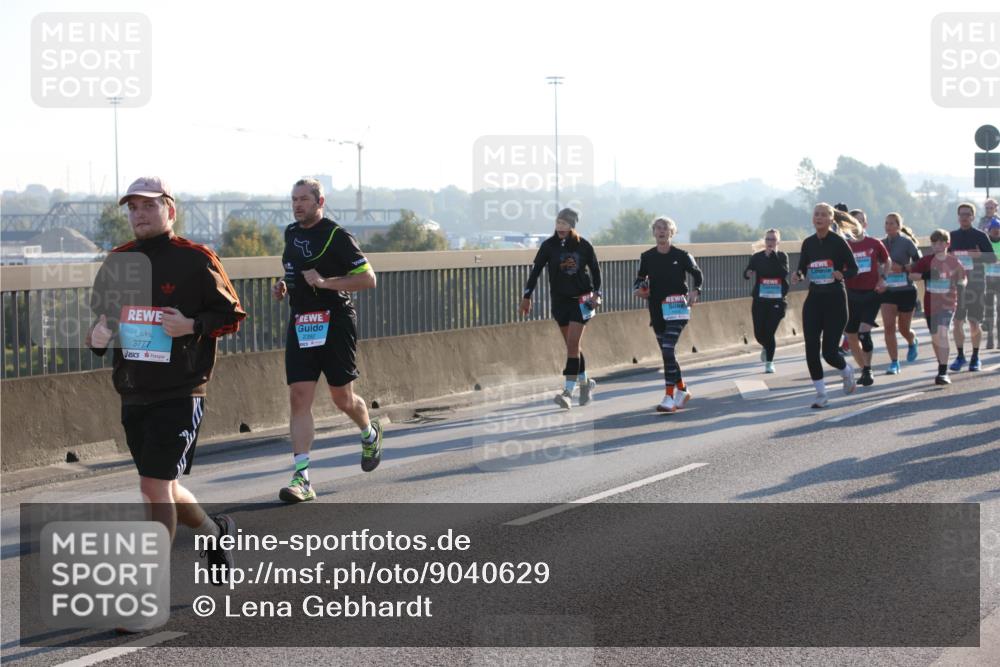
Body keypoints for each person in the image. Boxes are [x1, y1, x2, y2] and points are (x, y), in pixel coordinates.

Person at [87, 176, 246, 586]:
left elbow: (231, 316)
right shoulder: (117, 260)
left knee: (152, 486)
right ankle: (214, 533)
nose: (139, 214)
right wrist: (97, 338)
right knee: (165, 486)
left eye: (149, 206)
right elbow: (101, 325)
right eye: (133, 208)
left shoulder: (196, 258)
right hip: (134, 389)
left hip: (181, 389)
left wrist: (191, 324)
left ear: (169, 210)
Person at [272, 178, 381, 503]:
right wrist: (284, 286)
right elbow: (294, 273)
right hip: (302, 322)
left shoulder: (337, 235)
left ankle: (369, 432)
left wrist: (325, 282)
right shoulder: (291, 233)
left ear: (320, 202)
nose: (297, 205)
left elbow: (368, 279)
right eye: (293, 199)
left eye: (304, 199)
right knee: (299, 396)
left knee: (342, 399)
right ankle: (302, 478)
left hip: (335, 321)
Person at [520, 207, 602, 409]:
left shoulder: (584, 246)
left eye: (564, 224)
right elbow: (536, 271)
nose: (560, 227)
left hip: (581, 301)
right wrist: (526, 296)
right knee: (572, 346)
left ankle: (567, 392)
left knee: (573, 344)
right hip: (559, 301)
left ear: (572, 225)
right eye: (558, 223)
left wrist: (597, 294)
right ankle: (586, 383)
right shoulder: (549, 246)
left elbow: (596, 271)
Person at [790, 203, 860, 408]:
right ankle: (821, 394)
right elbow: (802, 268)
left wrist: (842, 274)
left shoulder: (838, 242)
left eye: (823, 215)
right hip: (815, 299)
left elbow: (854, 269)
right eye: (816, 214)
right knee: (811, 348)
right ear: (813, 219)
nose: (819, 218)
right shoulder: (808, 243)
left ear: (831, 219)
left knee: (829, 352)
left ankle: (846, 372)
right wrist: (798, 275)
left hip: (836, 300)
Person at [633, 216, 704, 413]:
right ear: (653, 232)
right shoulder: (647, 256)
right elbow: (639, 280)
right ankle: (683, 390)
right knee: (668, 353)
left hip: (677, 309)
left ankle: (668, 397)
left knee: (667, 348)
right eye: (658, 228)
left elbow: (697, 275)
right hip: (656, 309)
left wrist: (696, 291)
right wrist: (639, 290)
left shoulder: (682, 255)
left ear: (671, 233)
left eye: (665, 228)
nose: (661, 231)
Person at [908, 230, 967, 384]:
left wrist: (959, 284)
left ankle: (943, 372)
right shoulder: (926, 261)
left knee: (942, 333)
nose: (937, 245)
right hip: (930, 305)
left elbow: (963, 279)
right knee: (935, 337)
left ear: (947, 244)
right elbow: (911, 275)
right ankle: (941, 364)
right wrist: (925, 275)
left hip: (947, 304)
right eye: (934, 243)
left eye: (941, 242)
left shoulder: (954, 262)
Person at [947, 202, 997, 372]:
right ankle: (960, 356)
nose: (964, 217)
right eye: (961, 214)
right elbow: (943, 259)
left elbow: (992, 259)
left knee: (974, 323)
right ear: (958, 216)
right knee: (957, 322)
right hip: (957, 286)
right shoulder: (951, 236)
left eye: (968, 214)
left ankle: (975, 357)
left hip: (976, 285)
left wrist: (978, 255)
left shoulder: (981, 236)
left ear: (973, 217)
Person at [844, 209, 889, 386]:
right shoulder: (844, 245)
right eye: (853, 221)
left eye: (860, 221)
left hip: (871, 293)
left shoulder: (874, 243)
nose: (857, 224)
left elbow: (887, 261)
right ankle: (863, 368)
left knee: (864, 332)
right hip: (851, 293)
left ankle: (868, 369)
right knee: (851, 335)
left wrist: (883, 278)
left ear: (865, 224)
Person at [880, 212, 922, 374]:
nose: (888, 226)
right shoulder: (880, 244)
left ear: (898, 226)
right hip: (888, 290)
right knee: (889, 327)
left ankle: (912, 340)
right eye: (886, 223)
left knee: (904, 329)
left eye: (892, 223)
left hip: (906, 290)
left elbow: (920, 262)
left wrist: (903, 268)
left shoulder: (907, 243)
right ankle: (894, 362)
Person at [743, 228, 788, 373]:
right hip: (760, 300)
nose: (770, 242)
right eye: (768, 239)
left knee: (769, 333)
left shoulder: (782, 256)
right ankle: (766, 346)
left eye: (773, 240)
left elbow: (783, 273)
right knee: (759, 334)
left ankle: (769, 362)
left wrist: (773, 257)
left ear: (778, 242)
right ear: (764, 241)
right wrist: (748, 273)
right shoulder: (757, 257)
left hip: (777, 300)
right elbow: (747, 271)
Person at [985, 217, 1000, 349]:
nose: (996, 231)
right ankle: (990, 338)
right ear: (989, 231)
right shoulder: (985, 243)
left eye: (998, 229)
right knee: (989, 310)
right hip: (987, 280)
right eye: (994, 229)